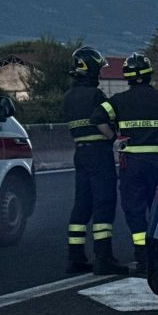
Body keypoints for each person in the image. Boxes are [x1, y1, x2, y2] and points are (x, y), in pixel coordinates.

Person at [91, 52, 158, 275]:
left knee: (134, 209)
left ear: (128, 77)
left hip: (132, 163)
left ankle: (142, 258)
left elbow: (97, 118)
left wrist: (114, 137)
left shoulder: (118, 101)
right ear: (149, 74)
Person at [62, 47, 128, 276]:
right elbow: (107, 119)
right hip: (99, 153)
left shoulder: (69, 97)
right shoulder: (95, 96)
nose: (100, 74)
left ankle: (75, 256)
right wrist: (113, 137)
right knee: (104, 203)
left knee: (82, 204)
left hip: (80, 153)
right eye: (98, 69)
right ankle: (103, 257)